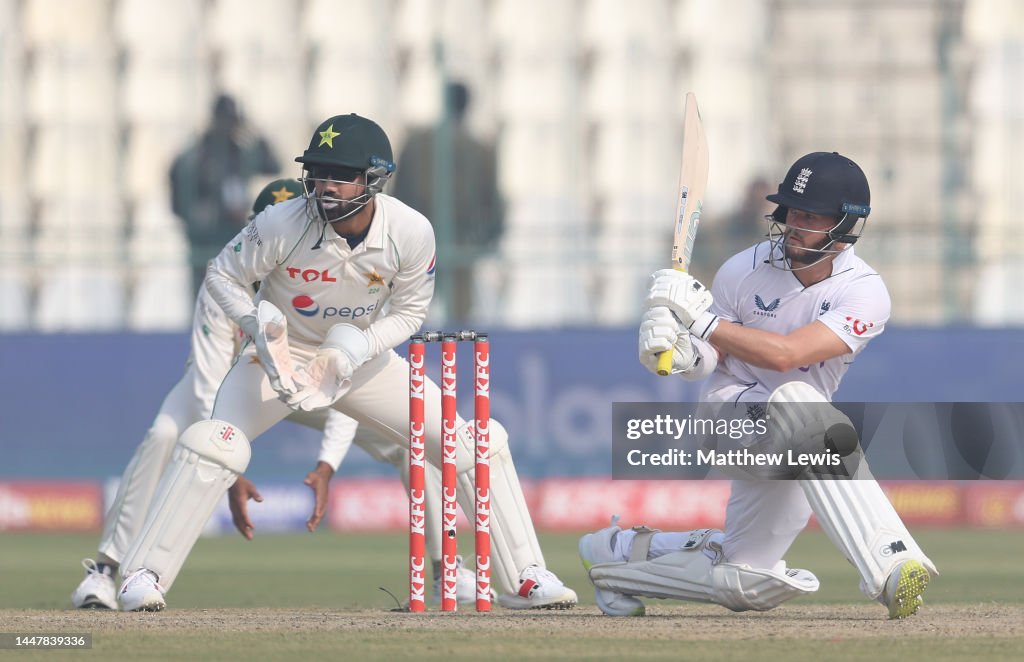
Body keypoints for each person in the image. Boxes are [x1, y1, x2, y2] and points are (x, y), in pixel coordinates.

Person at [114, 113, 576, 612]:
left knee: (475, 441)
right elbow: (222, 275)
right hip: (279, 360)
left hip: (363, 360)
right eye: (318, 173)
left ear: (373, 178)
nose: (325, 187)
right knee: (214, 444)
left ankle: (527, 577)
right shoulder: (282, 221)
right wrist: (257, 328)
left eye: (340, 174)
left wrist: (358, 347)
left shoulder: (410, 231)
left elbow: (410, 311)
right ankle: (143, 575)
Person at [71, 179, 477, 611]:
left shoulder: (323, 275)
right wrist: (227, 458)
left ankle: (444, 570)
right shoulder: (231, 279)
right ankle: (105, 573)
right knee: (166, 434)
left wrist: (327, 463)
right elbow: (209, 377)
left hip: (304, 381)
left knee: (412, 441)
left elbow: (344, 383)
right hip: (237, 384)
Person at [579, 152, 937, 619]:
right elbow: (709, 360)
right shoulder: (741, 269)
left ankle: (616, 556)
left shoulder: (865, 292)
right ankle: (891, 563)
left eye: (809, 216)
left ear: (847, 224)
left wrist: (701, 322)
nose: (793, 225)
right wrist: (676, 354)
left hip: (803, 438)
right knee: (801, 402)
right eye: (790, 212)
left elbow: (788, 354)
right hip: (731, 417)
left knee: (745, 578)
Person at [394, 81, 504, 323]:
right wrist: (487, 238)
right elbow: (493, 203)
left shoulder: (416, 143)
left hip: (418, 238)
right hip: (460, 241)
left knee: (409, 313)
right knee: (458, 317)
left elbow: (397, 193)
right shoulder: (479, 148)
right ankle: (455, 358)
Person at [170, 94, 281, 294]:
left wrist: (254, 128)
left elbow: (273, 165)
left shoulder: (239, 153)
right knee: (205, 297)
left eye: (233, 121)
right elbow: (179, 187)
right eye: (225, 120)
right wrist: (195, 218)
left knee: (235, 296)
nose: (228, 126)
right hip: (205, 238)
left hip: (234, 233)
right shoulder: (198, 154)